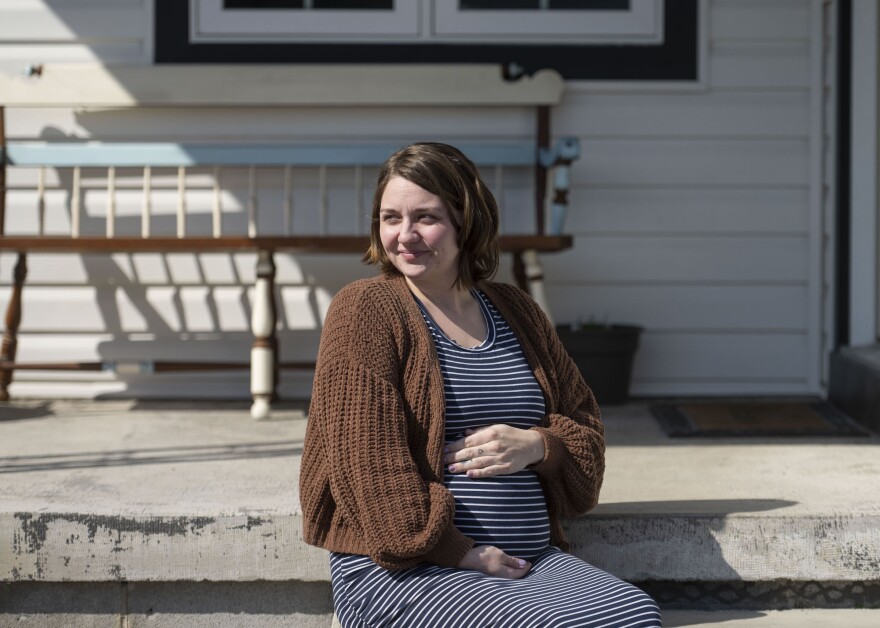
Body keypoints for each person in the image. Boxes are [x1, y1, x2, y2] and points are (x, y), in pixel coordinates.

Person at [299, 142, 661, 627]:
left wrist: (539, 445)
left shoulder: (517, 311)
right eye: (390, 218)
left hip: (526, 565)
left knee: (632, 612)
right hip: (405, 569)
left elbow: (585, 436)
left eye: (425, 217)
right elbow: (366, 466)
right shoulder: (364, 309)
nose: (405, 236)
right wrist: (460, 551)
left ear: (467, 221)